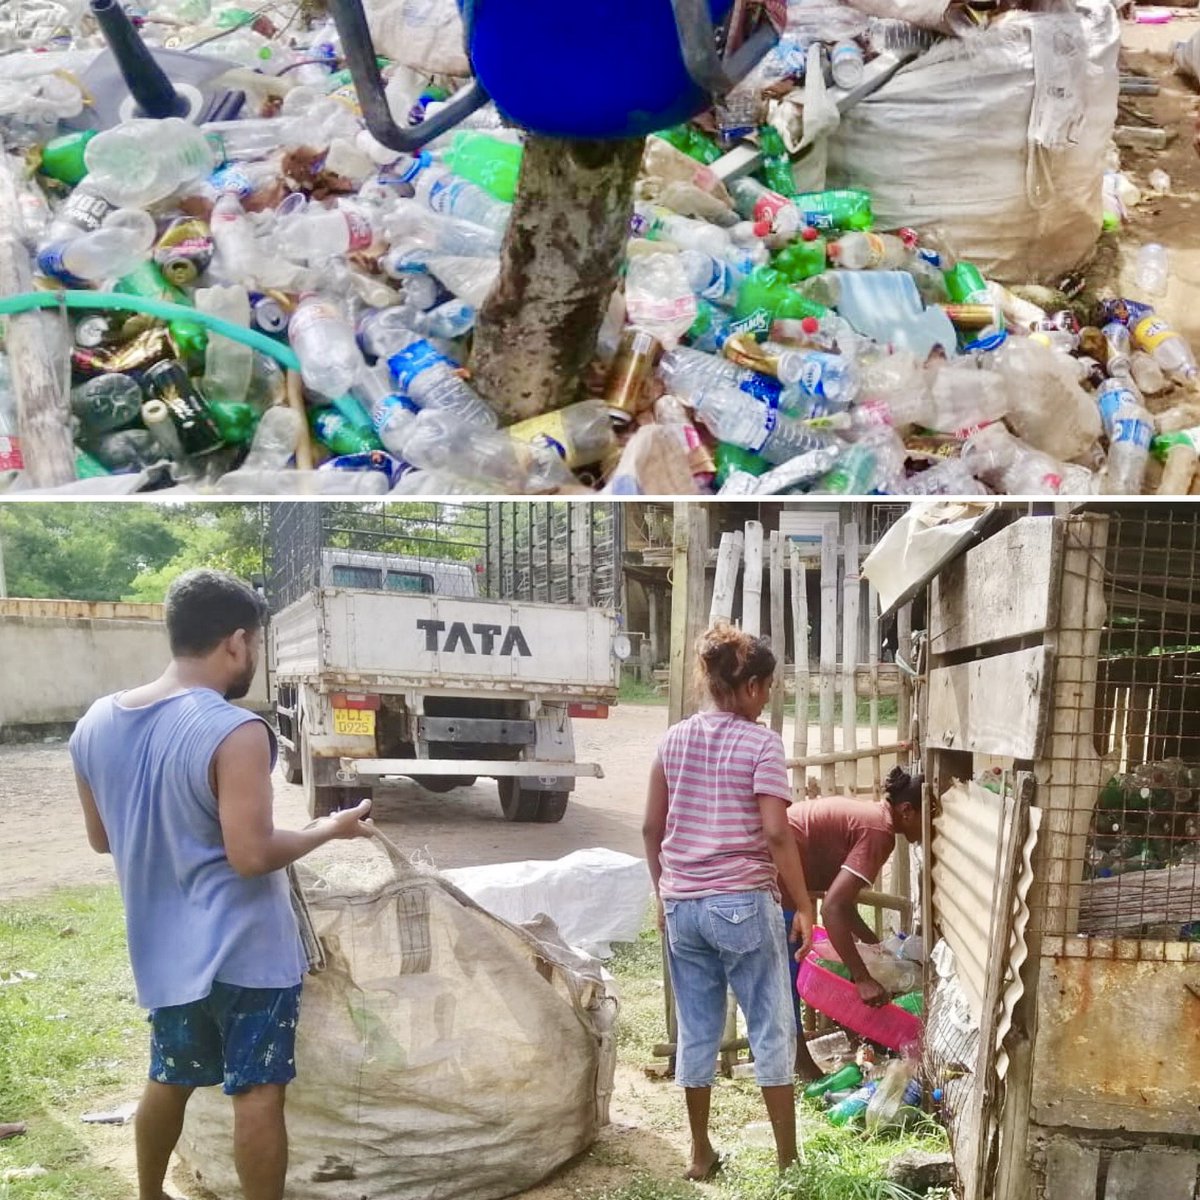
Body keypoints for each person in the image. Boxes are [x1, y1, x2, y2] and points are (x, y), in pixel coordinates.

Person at [70, 568, 374, 1200]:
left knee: (169, 1077)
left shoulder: (93, 724)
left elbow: (103, 839)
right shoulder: (237, 731)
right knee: (258, 1093)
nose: (253, 659)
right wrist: (328, 828)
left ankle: (149, 1194)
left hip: (163, 953)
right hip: (247, 954)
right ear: (236, 642)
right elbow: (252, 855)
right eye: (256, 646)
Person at [643, 622, 816, 1181]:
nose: (766, 700)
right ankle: (787, 1161)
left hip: (683, 903)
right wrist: (804, 904)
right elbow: (776, 833)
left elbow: (651, 827)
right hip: (742, 899)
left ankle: (700, 1153)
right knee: (770, 1024)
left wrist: (663, 892)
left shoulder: (673, 740)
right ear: (746, 687)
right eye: (765, 688)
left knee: (697, 1029)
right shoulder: (761, 742)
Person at [782, 765, 924, 1080]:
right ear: (907, 811)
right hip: (777, 874)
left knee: (784, 970)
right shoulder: (880, 833)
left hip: (783, 870)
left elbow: (843, 908)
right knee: (785, 972)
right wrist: (862, 978)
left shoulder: (875, 820)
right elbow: (832, 909)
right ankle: (800, 1065)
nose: (933, 826)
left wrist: (876, 947)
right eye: (931, 816)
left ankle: (792, 1059)